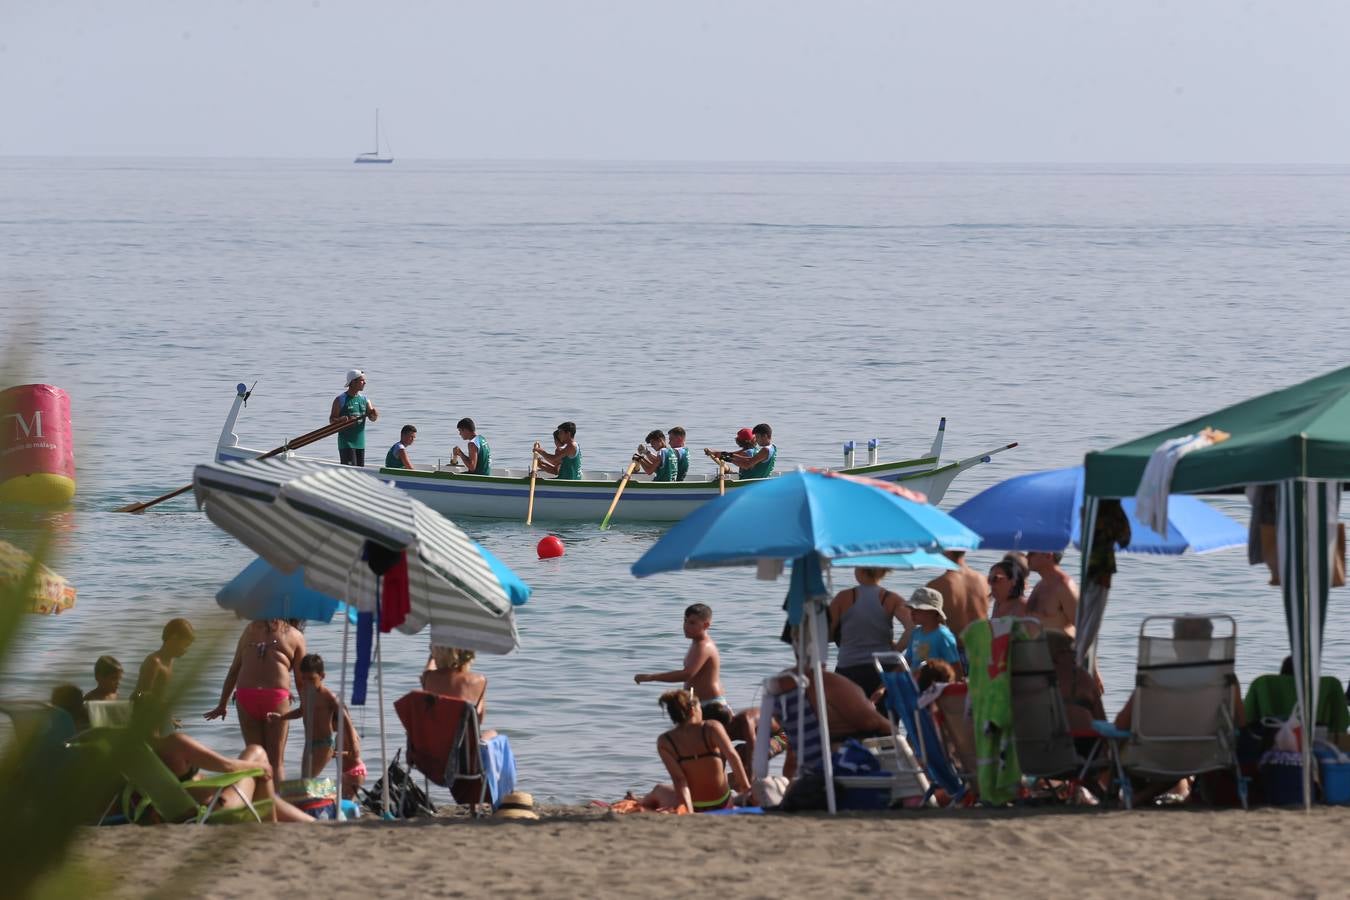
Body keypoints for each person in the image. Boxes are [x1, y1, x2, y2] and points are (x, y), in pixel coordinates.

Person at [204, 619, 306, 781]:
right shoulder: (296, 635)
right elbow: (302, 680)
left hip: (245, 696)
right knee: (276, 761)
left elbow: (234, 670)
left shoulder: (249, 630)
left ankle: (256, 801)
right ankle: (275, 803)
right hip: (275, 698)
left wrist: (222, 704)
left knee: (255, 759)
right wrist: (304, 706)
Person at [150, 731, 313, 822]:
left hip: (185, 811)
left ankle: (309, 824)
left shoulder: (139, 752)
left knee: (261, 783)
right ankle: (272, 826)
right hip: (215, 810)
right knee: (257, 753)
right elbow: (228, 766)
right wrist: (259, 766)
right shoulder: (174, 743)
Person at [640, 688, 750, 812]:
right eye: (700, 707)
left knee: (659, 789)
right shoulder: (711, 727)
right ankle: (641, 801)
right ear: (693, 710)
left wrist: (689, 810)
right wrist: (746, 789)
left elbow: (679, 780)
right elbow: (733, 757)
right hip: (723, 802)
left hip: (696, 805)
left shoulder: (665, 741)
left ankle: (641, 801)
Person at [268, 654, 365, 795]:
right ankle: (330, 794)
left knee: (306, 782)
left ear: (322, 676)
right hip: (308, 744)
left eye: (312, 679)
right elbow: (301, 711)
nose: (308, 683)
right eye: (304, 679)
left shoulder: (328, 696)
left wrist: (353, 743)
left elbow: (345, 718)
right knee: (305, 781)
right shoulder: (305, 692)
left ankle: (334, 792)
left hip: (323, 745)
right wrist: (282, 718)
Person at [634, 603, 731, 725]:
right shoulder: (696, 643)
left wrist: (651, 677)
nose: (685, 626)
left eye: (692, 623)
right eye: (685, 621)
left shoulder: (704, 646)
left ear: (706, 625)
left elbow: (687, 674)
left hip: (712, 705)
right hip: (698, 703)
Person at [828, 566, 909, 697]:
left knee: (849, 715)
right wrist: (897, 650)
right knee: (886, 716)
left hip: (849, 666)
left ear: (861, 571)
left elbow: (827, 635)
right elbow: (912, 627)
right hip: (884, 666)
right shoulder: (891, 598)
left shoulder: (843, 598)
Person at [421, 645, 497, 739]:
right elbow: (479, 719)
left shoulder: (429, 678)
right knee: (493, 734)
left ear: (438, 653)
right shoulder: (479, 681)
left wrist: (432, 656)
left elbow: (427, 671)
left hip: (433, 743)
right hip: (463, 747)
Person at [926, 550, 990, 639]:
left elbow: (929, 624)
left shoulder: (935, 585)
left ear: (947, 551)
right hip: (983, 646)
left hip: (954, 647)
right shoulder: (985, 580)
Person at [134, 618, 195, 705]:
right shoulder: (154, 662)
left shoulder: (169, 661)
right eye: (185, 645)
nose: (186, 650)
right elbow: (139, 694)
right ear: (174, 638)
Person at [898, 587, 961, 669]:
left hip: (935, 680)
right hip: (915, 680)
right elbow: (907, 661)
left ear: (933, 612)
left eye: (918, 610)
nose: (912, 613)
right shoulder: (916, 633)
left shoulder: (943, 635)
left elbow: (955, 666)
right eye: (911, 609)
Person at [329, 368, 379, 467]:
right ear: (353, 382)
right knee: (351, 473)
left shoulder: (365, 400)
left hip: (360, 443)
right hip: (346, 444)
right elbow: (332, 420)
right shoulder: (340, 400)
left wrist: (375, 414)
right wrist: (343, 419)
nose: (365, 383)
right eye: (362, 380)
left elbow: (373, 419)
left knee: (359, 474)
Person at [1026, 550, 1079, 636]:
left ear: (1048, 555)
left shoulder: (1064, 586)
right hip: (1036, 647)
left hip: (1060, 647)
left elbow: (1083, 626)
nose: (1027, 557)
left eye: (1031, 553)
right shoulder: (1039, 586)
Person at [988, 554, 1029, 619]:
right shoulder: (998, 603)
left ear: (1013, 581)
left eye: (996, 579)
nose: (991, 583)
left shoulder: (1023, 607)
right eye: (989, 579)